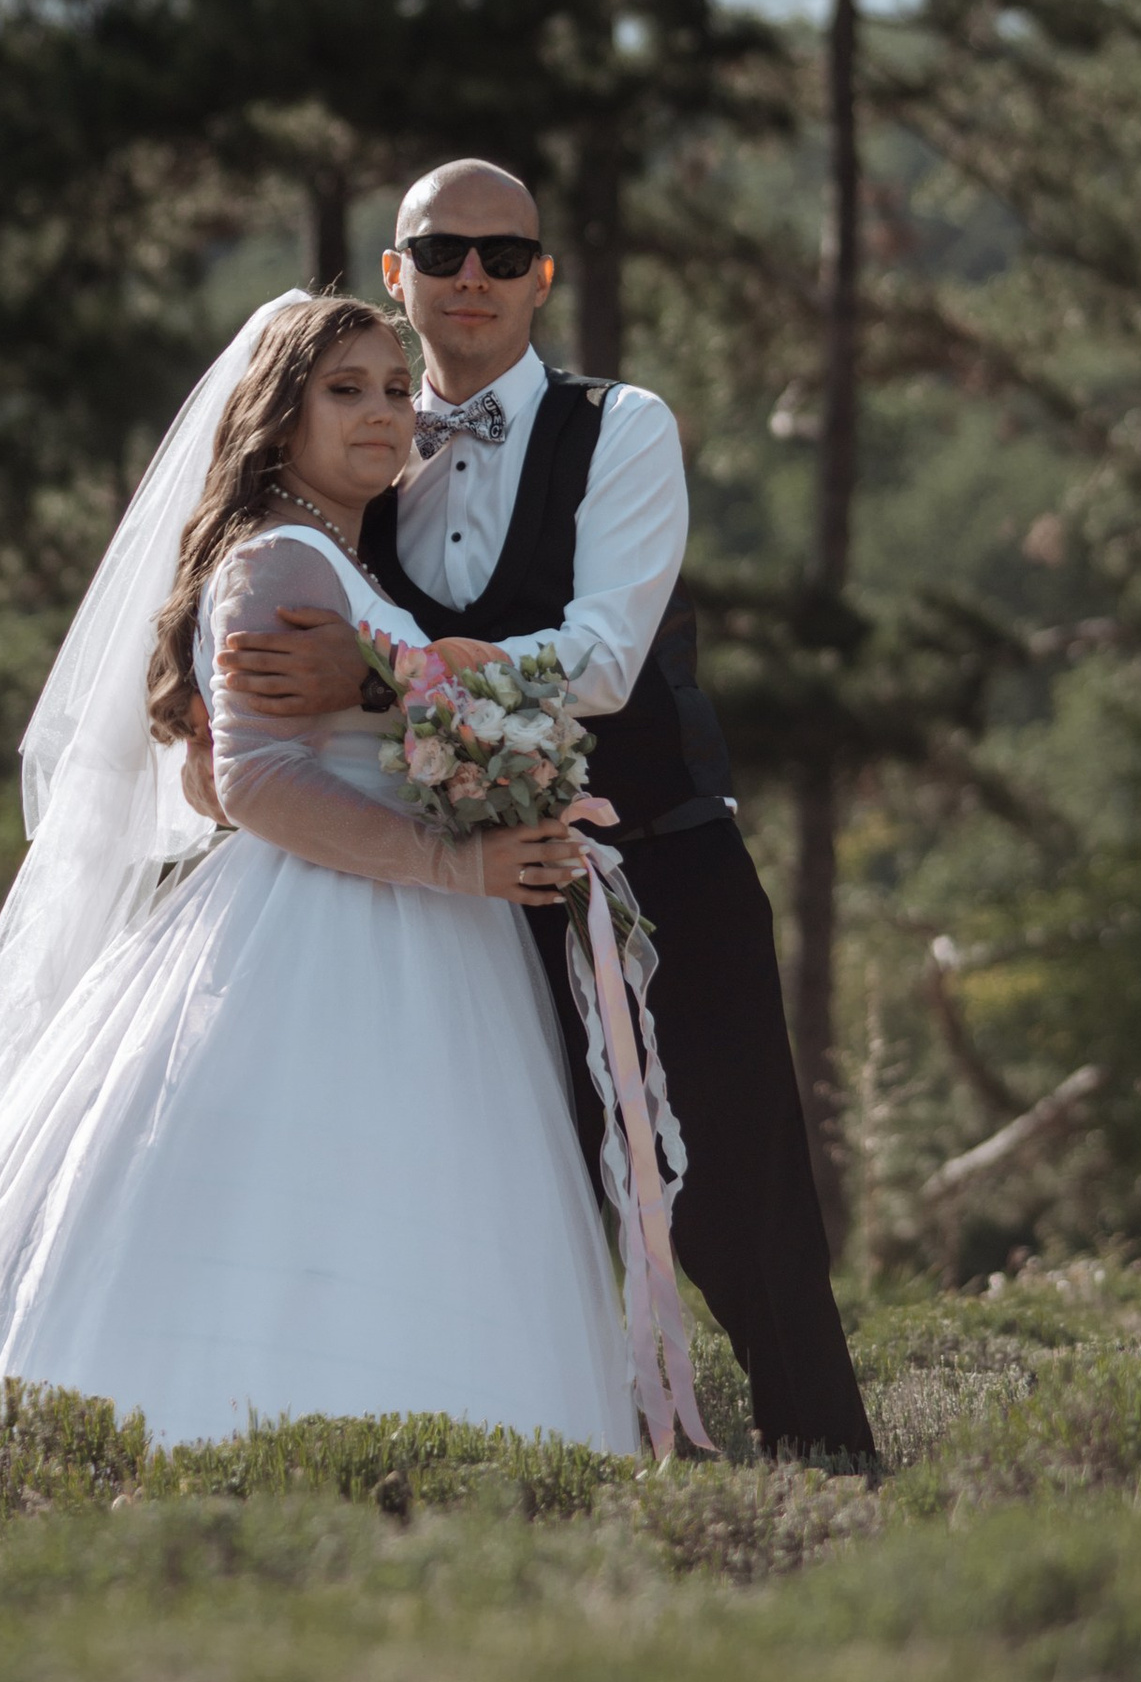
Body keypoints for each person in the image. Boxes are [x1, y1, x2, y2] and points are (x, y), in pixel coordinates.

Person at [0, 292, 638, 1450]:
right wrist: (454, 859)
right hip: (332, 931)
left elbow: (211, 781)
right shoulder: (282, 559)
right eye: (344, 390)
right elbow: (260, 787)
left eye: (394, 389)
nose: (383, 412)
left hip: (398, 918)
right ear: (278, 415)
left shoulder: (325, 558)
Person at [205, 161, 875, 1464]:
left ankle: (832, 1475)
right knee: (509, 1209)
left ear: (541, 279)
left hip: (659, 871)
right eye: (440, 252)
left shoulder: (620, 426)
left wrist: (381, 677)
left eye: (503, 256)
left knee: (735, 1197)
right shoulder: (360, 462)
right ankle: (552, 1469)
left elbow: (605, 659)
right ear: (395, 273)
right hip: (460, 905)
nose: (472, 277)